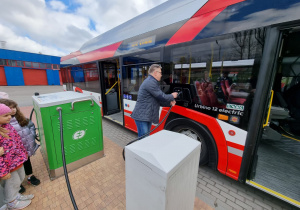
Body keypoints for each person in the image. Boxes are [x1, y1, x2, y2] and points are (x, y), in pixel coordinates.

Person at [0, 99, 40, 194]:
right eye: (10, 108)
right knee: (15, 169)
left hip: (25, 147)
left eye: (14, 107)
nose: (13, 110)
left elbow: (31, 125)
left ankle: (30, 176)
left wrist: (32, 134)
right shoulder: (5, 123)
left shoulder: (20, 118)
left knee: (27, 162)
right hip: (12, 153)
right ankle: (19, 184)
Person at [131, 64, 178, 137]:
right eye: (160, 72)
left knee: (146, 137)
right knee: (144, 139)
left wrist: (169, 103)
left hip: (146, 116)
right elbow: (162, 96)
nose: (161, 75)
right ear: (155, 73)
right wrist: (172, 96)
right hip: (142, 116)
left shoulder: (152, 82)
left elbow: (158, 99)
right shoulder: (150, 82)